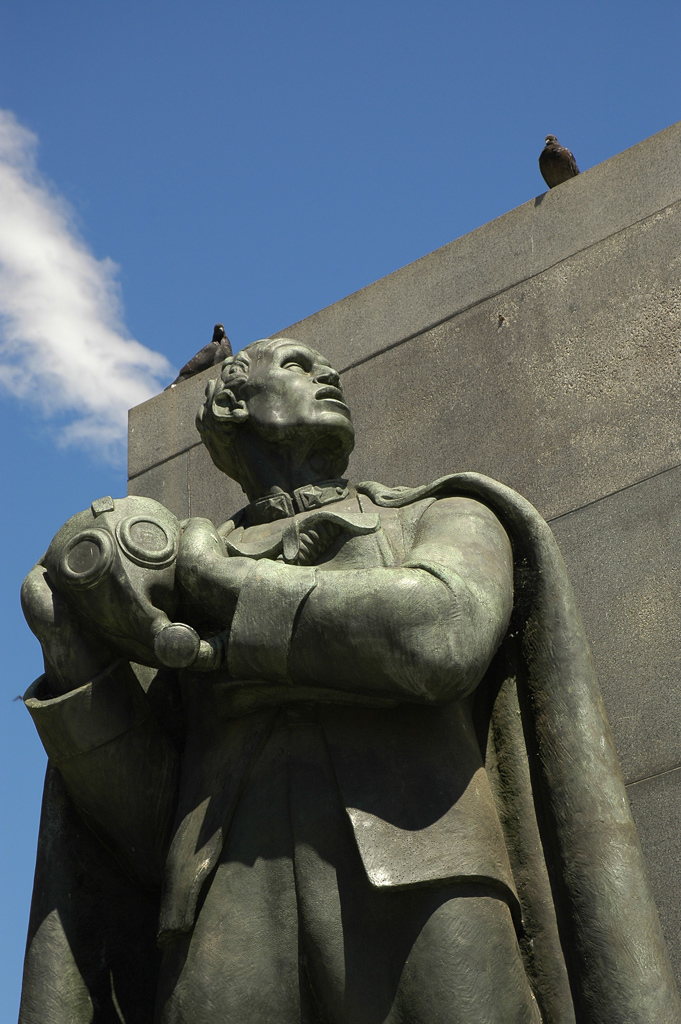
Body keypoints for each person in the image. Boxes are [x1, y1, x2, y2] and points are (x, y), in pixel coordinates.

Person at [19, 338, 681, 1023]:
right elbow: (146, 822)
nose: (330, 372)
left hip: (428, 878)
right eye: (298, 366)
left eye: (324, 366)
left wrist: (228, 585)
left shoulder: (438, 515)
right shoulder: (176, 588)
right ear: (227, 399)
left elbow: (440, 636)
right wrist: (75, 660)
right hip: (222, 918)